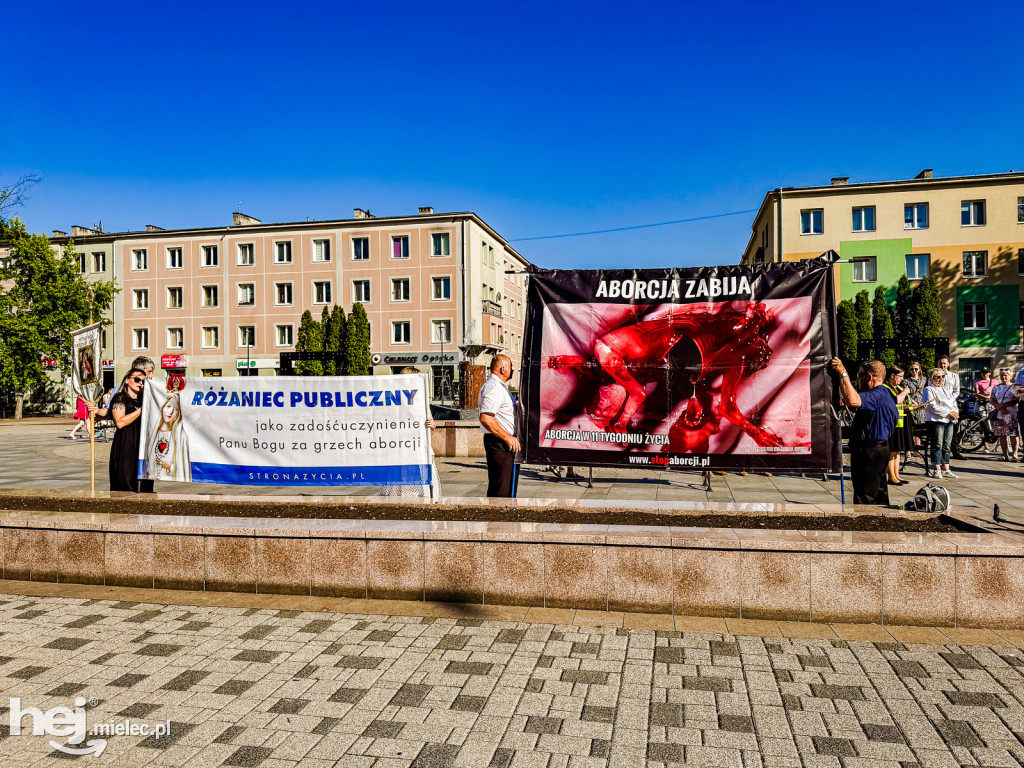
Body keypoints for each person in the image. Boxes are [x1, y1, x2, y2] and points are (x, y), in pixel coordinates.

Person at [830, 358, 898, 505]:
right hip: (880, 449)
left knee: (865, 497)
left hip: (870, 451)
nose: (858, 380)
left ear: (868, 377)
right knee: (879, 495)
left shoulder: (877, 395)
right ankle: (880, 522)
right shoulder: (886, 394)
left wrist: (842, 373)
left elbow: (852, 400)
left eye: (859, 376)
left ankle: (864, 525)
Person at [377, 367, 440, 499]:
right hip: (404, 448)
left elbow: (430, 424)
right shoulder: (395, 401)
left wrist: (432, 425)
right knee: (403, 485)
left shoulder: (421, 401)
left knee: (422, 486)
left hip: (420, 447)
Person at [479, 354, 520, 497]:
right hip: (500, 442)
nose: (512, 371)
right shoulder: (494, 387)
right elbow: (486, 418)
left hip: (502, 442)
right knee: (501, 490)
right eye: (511, 368)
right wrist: (508, 438)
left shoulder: (499, 387)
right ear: (503, 369)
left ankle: (504, 516)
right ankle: (497, 517)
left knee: (506, 487)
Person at [107, 368, 147, 492]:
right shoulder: (120, 398)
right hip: (125, 446)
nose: (140, 383)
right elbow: (120, 422)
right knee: (125, 484)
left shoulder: (144, 398)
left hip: (141, 447)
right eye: (137, 379)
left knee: (143, 486)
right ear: (126, 380)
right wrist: (141, 410)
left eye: (143, 381)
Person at [922, 367, 960, 479]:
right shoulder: (929, 389)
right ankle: (936, 468)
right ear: (931, 378)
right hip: (936, 420)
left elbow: (953, 402)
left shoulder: (946, 390)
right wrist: (949, 413)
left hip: (949, 420)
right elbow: (932, 406)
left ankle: (946, 468)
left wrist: (955, 413)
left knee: (947, 445)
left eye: (942, 376)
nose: (940, 379)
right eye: (937, 377)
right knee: (937, 444)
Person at [146, 393, 192, 481]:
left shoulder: (181, 436)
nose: (170, 412)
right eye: (168, 406)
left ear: (178, 414)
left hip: (169, 485)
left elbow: (182, 467)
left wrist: (169, 466)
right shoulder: (152, 433)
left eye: (175, 409)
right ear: (162, 407)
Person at [882, 366, 913, 485]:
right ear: (892, 376)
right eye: (899, 376)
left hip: (902, 423)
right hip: (893, 424)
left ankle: (897, 475)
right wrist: (905, 392)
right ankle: (891, 476)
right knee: (892, 451)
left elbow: (906, 403)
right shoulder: (886, 388)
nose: (901, 379)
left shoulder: (898, 388)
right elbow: (897, 401)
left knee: (898, 451)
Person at [989, 369, 1020, 461]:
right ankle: (1005, 455)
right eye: (1002, 375)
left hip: (1011, 414)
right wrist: (997, 406)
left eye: (1006, 375)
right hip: (1000, 414)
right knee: (1002, 435)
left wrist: (1003, 405)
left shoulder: (1015, 387)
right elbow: (992, 399)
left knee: (1013, 434)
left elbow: (1016, 400)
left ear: (1011, 377)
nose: (1004, 377)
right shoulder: (996, 387)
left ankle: (1015, 454)